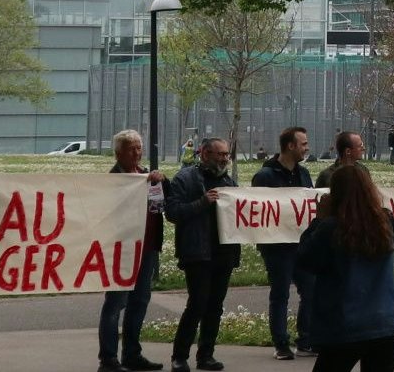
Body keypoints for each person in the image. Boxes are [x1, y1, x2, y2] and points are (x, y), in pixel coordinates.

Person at [293, 163, 394, 372]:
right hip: (385, 322)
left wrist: (318, 220)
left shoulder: (331, 227)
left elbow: (306, 259)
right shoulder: (386, 221)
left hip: (345, 324)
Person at [166, 136, 240, 372]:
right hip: (197, 253)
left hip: (223, 253)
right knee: (197, 305)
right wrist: (202, 202)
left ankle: (206, 355)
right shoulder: (185, 178)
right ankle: (179, 357)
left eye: (227, 154)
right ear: (205, 154)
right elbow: (173, 212)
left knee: (215, 307)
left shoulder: (229, 181)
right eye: (221, 154)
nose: (225, 159)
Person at [98, 129, 168, 372]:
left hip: (147, 247)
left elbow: (159, 207)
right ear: (118, 153)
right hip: (123, 249)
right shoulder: (113, 180)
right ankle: (108, 358)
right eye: (131, 149)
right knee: (116, 303)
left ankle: (132, 354)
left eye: (139, 148)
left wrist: (161, 182)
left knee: (140, 301)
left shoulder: (146, 175)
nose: (137, 153)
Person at [252, 126, 314, 360]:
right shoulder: (265, 176)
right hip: (277, 246)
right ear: (290, 146)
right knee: (280, 294)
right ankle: (281, 343)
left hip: (302, 245)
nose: (306, 148)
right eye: (303, 144)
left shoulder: (303, 173)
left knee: (311, 290)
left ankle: (306, 340)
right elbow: (258, 209)